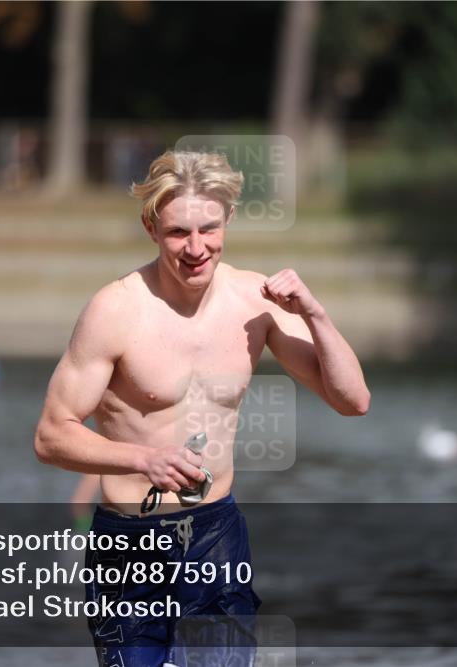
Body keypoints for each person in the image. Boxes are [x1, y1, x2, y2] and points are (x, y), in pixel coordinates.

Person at [34, 150, 370, 666]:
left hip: (215, 535)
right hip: (130, 542)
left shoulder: (256, 301)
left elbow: (352, 401)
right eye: (178, 233)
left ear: (228, 219)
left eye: (209, 229)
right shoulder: (115, 311)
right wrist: (143, 459)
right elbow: (51, 436)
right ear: (151, 227)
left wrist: (316, 315)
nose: (196, 248)